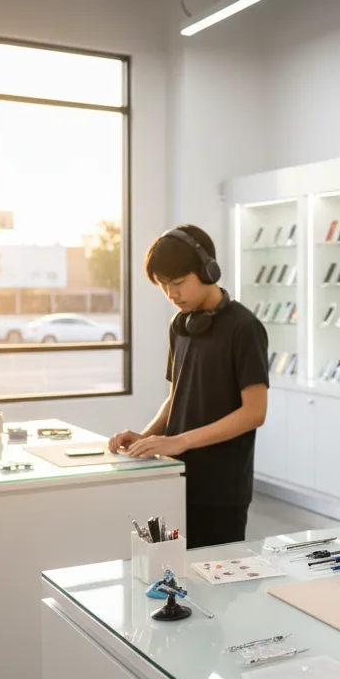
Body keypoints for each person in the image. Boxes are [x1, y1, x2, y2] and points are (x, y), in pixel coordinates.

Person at [109, 225, 269, 548]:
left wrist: (179, 441)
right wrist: (148, 436)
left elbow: (254, 413)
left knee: (217, 588)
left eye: (178, 282)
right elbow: (176, 397)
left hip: (222, 489)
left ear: (207, 270)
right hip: (176, 477)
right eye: (164, 286)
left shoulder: (245, 328)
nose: (172, 294)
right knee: (175, 579)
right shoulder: (180, 326)